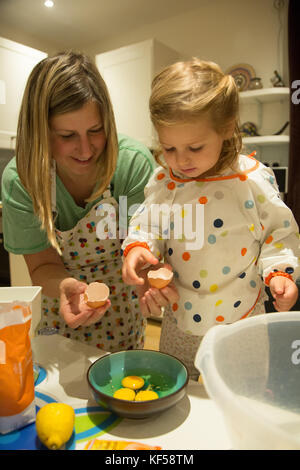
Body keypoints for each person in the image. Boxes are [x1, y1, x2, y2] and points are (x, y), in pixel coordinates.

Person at [121, 58, 300, 378]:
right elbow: (147, 224)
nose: (181, 159)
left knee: (246, 389)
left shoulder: (252, 180)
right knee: (174, 384)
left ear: (227, 128)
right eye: (169, 148)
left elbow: (278, 233)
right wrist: (138, 248)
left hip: (243, 318)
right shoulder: (166, 181)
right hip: (181, 319)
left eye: (194, 146)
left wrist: (280, 274)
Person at [1, 51, 156, 351]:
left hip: (125, 316)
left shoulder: (131, 165)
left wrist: (150, 276)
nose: (86, 150)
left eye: (95, 130)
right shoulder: (22, 180)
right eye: (67, 135)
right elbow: (43, 264)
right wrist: (65, 288)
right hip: (60, 320)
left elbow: (142, 245)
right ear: (40, 132)